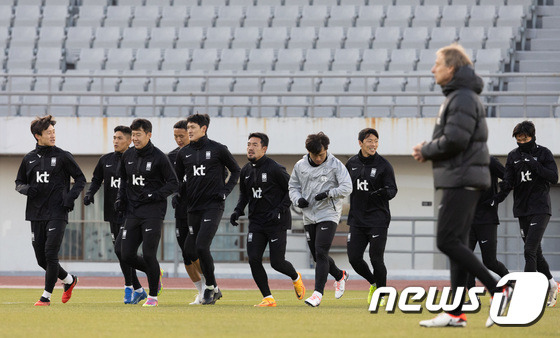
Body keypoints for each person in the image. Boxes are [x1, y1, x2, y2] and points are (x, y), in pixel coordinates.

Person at [412, 44, 512, 328]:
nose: (433, 69)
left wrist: (426, 149)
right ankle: (455, 312)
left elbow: (456, 139)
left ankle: (499, 290)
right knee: (457, 244)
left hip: (462, 179)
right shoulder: (459, 96)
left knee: (446, 241)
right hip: (461, 178)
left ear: (451, 68)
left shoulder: (464, 98)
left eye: (437, 63)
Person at [15, 115, 85, 306]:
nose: (53, 135)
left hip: (57, 212)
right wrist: (27, 189)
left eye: (54, 132)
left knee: (50, 254)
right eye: (49, 133)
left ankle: (46, 296)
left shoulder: (63, 156)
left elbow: (80, 179)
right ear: (38, 135)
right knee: (41, 259)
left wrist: (70, 198)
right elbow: (18, 183)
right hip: (35, 213)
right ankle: (69, 280)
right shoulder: (28, 159)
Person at [230, 132, 306, 307]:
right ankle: (268, 297)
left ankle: (295, 276)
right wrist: (237, 210)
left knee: (277, 263)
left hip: (276, 222)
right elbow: (244, 195)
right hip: (256, 222)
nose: (250, 147)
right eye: (248, 144)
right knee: (254, 258)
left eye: (255, 145)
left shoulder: (275, 168)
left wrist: (279, 209)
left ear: (264, 148)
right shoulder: (246, 171)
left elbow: (292, 190)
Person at [175, 113, 240, 305]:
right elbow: (179, 180)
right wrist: (178, 194)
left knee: (202, 246)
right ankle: (213, 288)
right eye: (188, 128)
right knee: (188, 250)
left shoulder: (218, 149)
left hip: (213, 206)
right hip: (192, 208)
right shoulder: (183, 153)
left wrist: (225, 191)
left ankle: (210, 288)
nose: (189, 131)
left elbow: (236, 170)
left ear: (203, 129)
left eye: (192, 128)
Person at [491, 121, 558, 307]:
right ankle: (552, 284)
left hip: (540, 208)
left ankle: (528, 296)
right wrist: (496, 198)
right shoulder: (513, 156)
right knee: (536, 251)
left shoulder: (543, 153)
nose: (522, 142)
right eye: (519, 139)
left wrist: (535, 164)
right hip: (521, 209)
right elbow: (508, 182)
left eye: (525, 138)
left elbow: (554, 177)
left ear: (532, 136)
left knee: (529, 251)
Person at [115, 118, 178, 307]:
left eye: (138, 134)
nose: (134, 138)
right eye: (133, 135)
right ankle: (154, 272)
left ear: (149, 135)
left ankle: (152, 297)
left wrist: (154, 194)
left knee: (149, 254)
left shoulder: (159, 157)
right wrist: (120, 198)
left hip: (153, 212)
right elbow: (124, 181)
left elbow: (173, 183)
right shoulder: (128, 156)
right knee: (125, 254)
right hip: (133, 212)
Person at [83, 126, 146, 304]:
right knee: (121, 253)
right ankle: (138, 289)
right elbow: (96, 180)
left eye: (119, 138)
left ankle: (137, 281)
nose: (116, 141)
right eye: (114, 138)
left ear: (129, 141)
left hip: (131, 213)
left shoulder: (136, 159)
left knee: (124, 251)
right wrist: (89, 194)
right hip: (113, 213)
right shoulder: (106, 160)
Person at [288, 132, 352, 307]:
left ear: (326, 150)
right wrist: (297, 199)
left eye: (321, 155)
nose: (318, 158)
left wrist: (329, 194)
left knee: (321, 251)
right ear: (308, 152)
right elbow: (293, 186)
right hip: (309, 215)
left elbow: (347, 187)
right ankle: (340, 275)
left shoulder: (335, 165)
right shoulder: (300, 166)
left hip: (328, 214)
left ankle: (317, 293)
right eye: (314, 155)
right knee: (318, 255)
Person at [345, 128, 397, 307]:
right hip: (357, 220)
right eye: (369, 141)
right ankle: (374, 283)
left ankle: (382, 294)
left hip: (378, 220)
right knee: (354, 258)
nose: (373, 144)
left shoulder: (384, 165)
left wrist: (384, 193)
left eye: (376, 141)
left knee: (376, 259)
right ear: (360, 143)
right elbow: (344, 186)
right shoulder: (351, 163)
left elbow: (393, 190)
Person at [168, 120, 206, 305]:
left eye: (181, 136)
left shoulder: (204, 153)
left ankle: (210, 284)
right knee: (185, 252)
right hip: (181, 210)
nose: (179, 140)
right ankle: (201, 290)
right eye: (175, 136)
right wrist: (174, 193)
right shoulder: (172, 156)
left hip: (199, 208)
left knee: (195, 249)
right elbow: (169, 181)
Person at [465, 156, 510, 303]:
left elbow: (509, 179)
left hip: (486, 220)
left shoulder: (490, 162)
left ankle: (510, 287)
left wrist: (497, 198)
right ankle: (473, 298)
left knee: (489, 262)